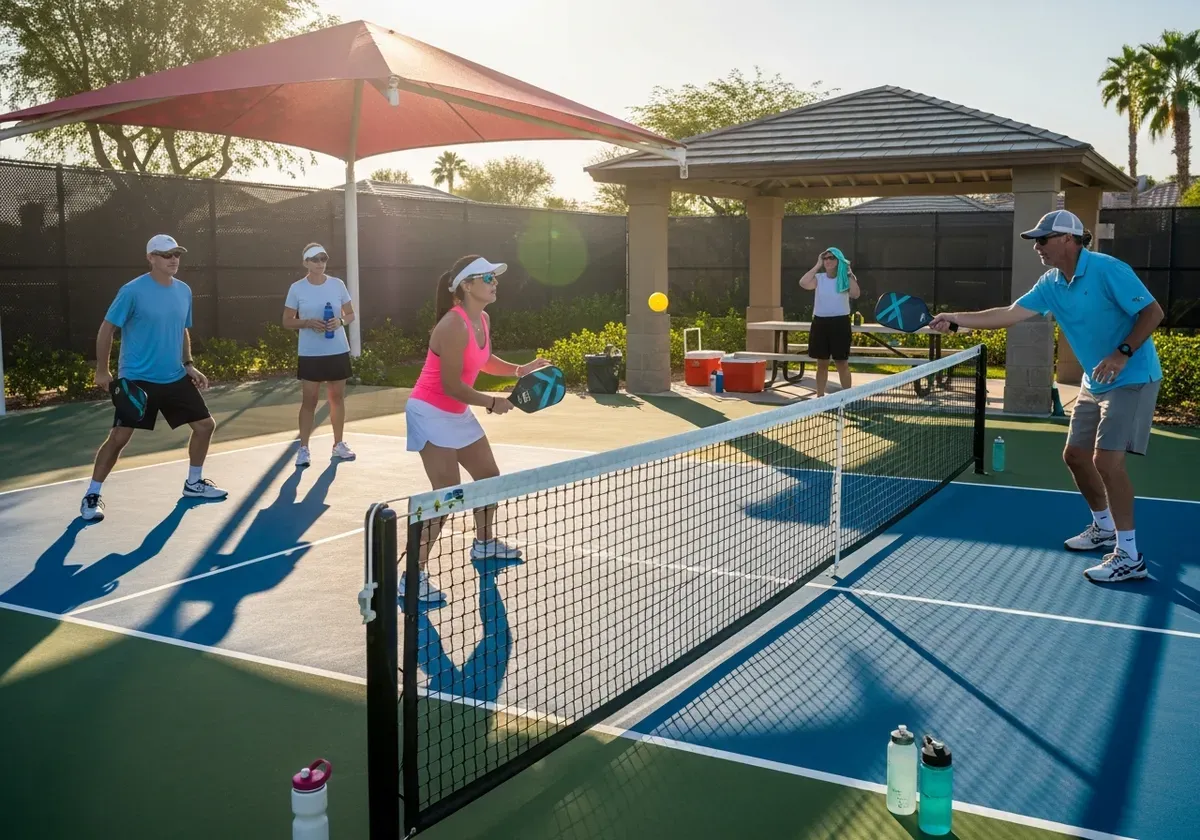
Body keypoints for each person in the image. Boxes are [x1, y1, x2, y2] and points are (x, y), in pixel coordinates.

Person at [929, 210, 1164, 584]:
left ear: (1068, 240)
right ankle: (1103, 526)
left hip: (1132, 376)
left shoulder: (1108, 269)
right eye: (1036, 240)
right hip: (1095, 381)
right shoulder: (1051, 283)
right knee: (1075, 456)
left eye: (1043, 239)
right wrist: (954, 318)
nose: (1037, 246)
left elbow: (1152, 312)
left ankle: (1130, 556)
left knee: (1107, 461)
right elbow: (1007, 314)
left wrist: (1121, 353)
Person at [402, 254, 552, 603]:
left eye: (494, 277)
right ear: (466, 285)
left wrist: (521, 370)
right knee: (447, 495)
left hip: (456, 412)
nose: (494, 282)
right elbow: (452, 385)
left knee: (489, 477)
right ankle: (412, 575)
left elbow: (484, 360)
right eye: (487, 277)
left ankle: (484, 544)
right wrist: (492, 402)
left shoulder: (481, 318)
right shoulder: (452, 325)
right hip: (429, 411)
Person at [81, 234, 228, 522]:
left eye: (176, 254)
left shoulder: (184, 290)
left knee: (204, 426)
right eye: (165, 254)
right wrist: (102, 370)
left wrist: (188, 364)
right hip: (138, 379)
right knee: (119, 438)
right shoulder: (132, 291)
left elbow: (183, 329)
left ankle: (193, 484)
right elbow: (106, 329)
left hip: (173, 377)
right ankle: (92, 495)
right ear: (151, 258)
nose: (173, 259)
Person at [282, 243, 357, 467]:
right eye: (315, 259)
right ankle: (303, 448)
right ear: (305, 262)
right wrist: (306, 322)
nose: (320, 263)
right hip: (310, 353)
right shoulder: (297, 288)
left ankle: (338, 444)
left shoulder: (337, 284)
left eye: (323, 258)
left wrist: (340, 321)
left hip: (337, 350)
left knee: (337, 398)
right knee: (310, 400)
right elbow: (286, 321)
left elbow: (350, 314)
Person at [799, 247, 861, 396]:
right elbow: (803, 283)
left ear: (838, 260)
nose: (827, 261)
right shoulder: (819, 278)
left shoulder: (845, 279)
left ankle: (846, 398)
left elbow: (856, 294)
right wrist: (817, 265)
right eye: (825, 258)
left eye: (831, 258)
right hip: (820, 323)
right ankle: (820, 398)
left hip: (840, 323)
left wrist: (848, 273)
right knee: (821, 364)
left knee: (842, 363)